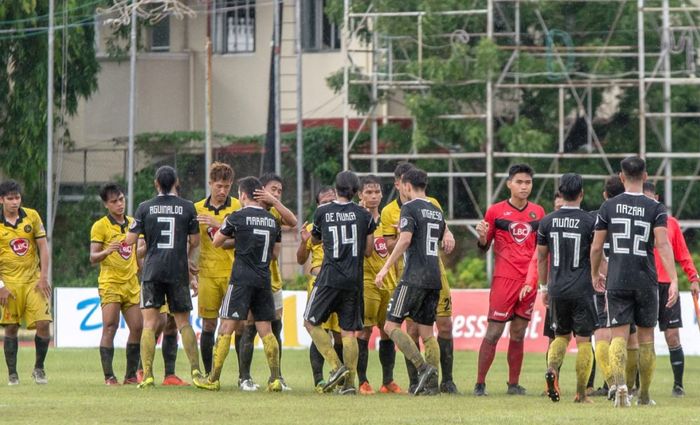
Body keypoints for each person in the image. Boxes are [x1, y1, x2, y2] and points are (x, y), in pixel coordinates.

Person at [590, 156, 678, 407]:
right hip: (646, 278)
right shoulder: (656, 208)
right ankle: (644, 395)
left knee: (618, 336)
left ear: (621, 177)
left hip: (617, 278)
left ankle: (619, 387)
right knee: (646, 338)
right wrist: (673, 278)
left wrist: (595, 274)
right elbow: (662, 243)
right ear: (646, 176)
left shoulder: (609, 206)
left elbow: (596, 247)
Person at [194, 176, 283, 392]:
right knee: (266, 330)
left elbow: (217, 242)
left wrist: (228, 233)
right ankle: (275, 378)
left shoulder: (237, 216)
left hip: (241, 279)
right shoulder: (272, 221)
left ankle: (213, 378)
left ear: (243, 195)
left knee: (226, 327)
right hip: (263, 280)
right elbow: (273, 254)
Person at [124, 165, 204, 389]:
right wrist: (185, 257)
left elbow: (130, 240)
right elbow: (195, 242)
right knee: (183, 323)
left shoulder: (144, 208)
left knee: (149, 324)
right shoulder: (188, 207)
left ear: (156, 183)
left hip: (152, 270)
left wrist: (147, 237)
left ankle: (147, 374)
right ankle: (196, 372)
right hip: (177, 271)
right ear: (176, 182)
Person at [380, 162, 457, 394]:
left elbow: (404, 240)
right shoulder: (435, 209)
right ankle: (432, 386)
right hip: (435, 275)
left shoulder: (409, 207)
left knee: (390, 325)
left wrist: (385, 268)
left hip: (414, 275)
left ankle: (423, 368)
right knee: (426, 331)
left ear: (407, 185)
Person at [474, 164, 545, 396]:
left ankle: (513, 384)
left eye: (528, 182)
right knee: (494, 332)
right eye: (519, 182)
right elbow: (483, 248)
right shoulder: (495, 211)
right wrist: (483, 237)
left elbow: (540, 251)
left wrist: (537, 280)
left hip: (529, 281)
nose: (524, 187)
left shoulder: (538, 212)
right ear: (509, 184)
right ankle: (480, 384)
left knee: (518, 332)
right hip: (504, 279)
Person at [304, 170, 375, 395]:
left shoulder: (323, 211)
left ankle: (336, 367)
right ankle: (350, 384)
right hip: (354, 280)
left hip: (329, 277)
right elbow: (368, 251)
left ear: (336, 189)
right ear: (356, 191)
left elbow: (315, 239)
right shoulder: (365, 215)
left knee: (310, 321)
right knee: (349, 333)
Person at [536, 174, 597, 403]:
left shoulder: (547, 221)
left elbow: (541, 258)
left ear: (560, 194)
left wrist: (544, 287)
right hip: (582, 288)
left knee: (560, 336)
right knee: (583, 341)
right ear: (581, 194)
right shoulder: (590, 222)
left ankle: (552, 369)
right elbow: (596, 252)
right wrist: (598, 275)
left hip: (557, 289)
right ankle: (581, 392)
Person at [235, 172, 297, 391]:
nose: (277, 194)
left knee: (276, 329)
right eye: (273, 190)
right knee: (249, 328)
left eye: (280, 191)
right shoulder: (244, 212)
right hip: (249, 278)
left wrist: (276, 202)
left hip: (272, 280)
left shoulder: (275, 215)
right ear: (260, 190)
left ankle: (276, 376)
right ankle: (244, 377)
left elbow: (293, 222)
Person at [642, 181, 699, 397]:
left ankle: (678, 385)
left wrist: (693, 277)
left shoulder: (671, 223)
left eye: (650, 198)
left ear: (656, 198)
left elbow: (683, 253)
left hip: (667, 286)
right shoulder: (637, 221)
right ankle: (638, 385)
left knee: (673, 336)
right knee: (641, 338)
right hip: (643, 285)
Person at [89, 183, 143, 385]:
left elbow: (137, 253)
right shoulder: (100, 226)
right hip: (110, 283)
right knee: (110, 327)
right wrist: (106, 251)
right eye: (114, 201)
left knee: (138, 327)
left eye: (121, 199)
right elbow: (93, 257)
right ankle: (109, 376)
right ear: (106, 204)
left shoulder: (133, 223)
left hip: (131, 283)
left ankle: (130, 375)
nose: (120, 204)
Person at [0, 180, 52, 385]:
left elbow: (43, 247)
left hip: (33, 281)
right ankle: (12, 373)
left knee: (44, 323)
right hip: (9, 284)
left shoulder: (32, 216)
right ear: (1, 200)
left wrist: (43, 277)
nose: (15, 202)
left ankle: (39, 368)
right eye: (10, 198)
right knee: (11, 328)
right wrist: (1, 286)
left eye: (17, 198)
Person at [193, 162, 241, 380]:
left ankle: (244, 376)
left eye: (227, 186)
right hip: (208, 275)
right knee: (209, 325)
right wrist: (187, 267)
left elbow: (244, 237)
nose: (223, 191)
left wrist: (218, 222)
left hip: (234, 274)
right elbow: (191, 241)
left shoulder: (238, 207)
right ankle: (209, 373)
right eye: (219, 186)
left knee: (238, 326)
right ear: (210, 183)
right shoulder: (197, 208)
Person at [356, 175, 402, 395]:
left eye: (376, 192)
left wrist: (401, 235)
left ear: (382, 194)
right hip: (366, 282)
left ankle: (388, 381)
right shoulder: (357, 219)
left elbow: (390, 247)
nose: (373, 196)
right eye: (368, 192)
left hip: (389, 283)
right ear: (360, 195)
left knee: (388, 333)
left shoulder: (387, 221)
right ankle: (363, 381)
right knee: (364, 332)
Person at [296, 186, 344, 393]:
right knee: (318, 330)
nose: (329, 205)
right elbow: (300, 260)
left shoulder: (345, 222)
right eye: (324, 202)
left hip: (341, 282)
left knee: (340, 334)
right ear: (318, 206)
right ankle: (319, 380)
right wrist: (303, 242)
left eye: (332, 200)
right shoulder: (315, 227)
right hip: (318, 283)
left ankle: (342, 378)